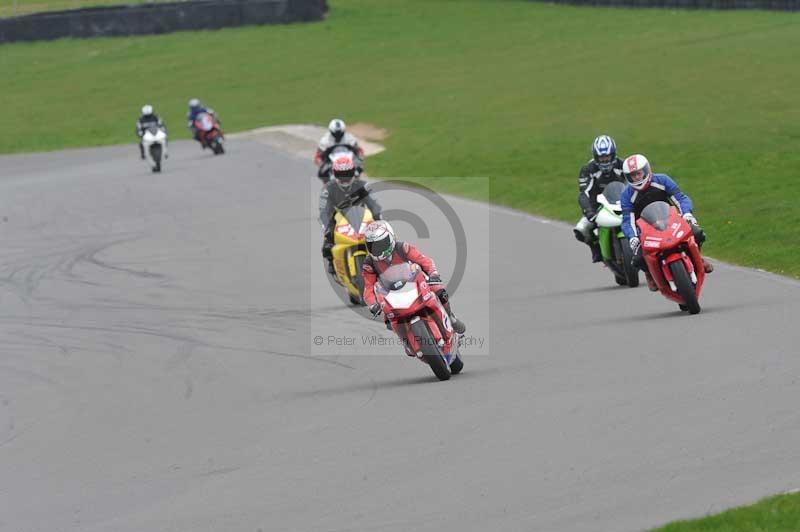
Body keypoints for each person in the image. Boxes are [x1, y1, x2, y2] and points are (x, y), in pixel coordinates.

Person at [620, 153, 713, 291]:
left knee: (698, 233)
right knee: (637, 259)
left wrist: (686, 214)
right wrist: (633, 236)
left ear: (646, 170)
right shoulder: (626, 195)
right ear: (628, 177)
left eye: (639, 173)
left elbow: (680, 198)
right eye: (633, 175)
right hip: (646, 229)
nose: (637, 177)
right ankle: (650, 274)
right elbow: (628, 220)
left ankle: (698, 258)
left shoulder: (662, 180)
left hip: (670, 220)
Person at [362, 220, 466, 336]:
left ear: (391, 237)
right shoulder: (369, 264)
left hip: (415, 283)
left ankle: (450, 318)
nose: (378, 249)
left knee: (439, 291)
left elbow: (424, 261)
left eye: (381, 243)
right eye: (373, 246)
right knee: (388, 322)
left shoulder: (402, 248)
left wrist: (433, 274)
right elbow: (368, 287)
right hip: (391, 294)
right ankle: (407, 341)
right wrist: (372, 304)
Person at [319, 156, 382, 275]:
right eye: (341, 174)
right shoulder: (327, 189)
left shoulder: (363, 185)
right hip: (338, 219)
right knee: (327, 247)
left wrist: (378, 218)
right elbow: (324, 211)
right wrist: (327, 228)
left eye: (348, 173)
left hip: (362, 217)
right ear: (335, 174)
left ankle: (387, 261)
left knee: (385, 237)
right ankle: (333, 263)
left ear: (353, 172)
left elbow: (374, 204)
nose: (345, 178)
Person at [573, 134, 625, 263]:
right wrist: (588, 211)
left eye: (607, 156)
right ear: (595, 157)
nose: (605, 160)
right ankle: (595, 248)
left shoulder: (623, 165)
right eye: (601, 157)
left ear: (613, 154)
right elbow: (584, 193)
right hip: (597, 206)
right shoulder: (587, 170)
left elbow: (633, 185)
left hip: (621, 202)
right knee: (581, 230)